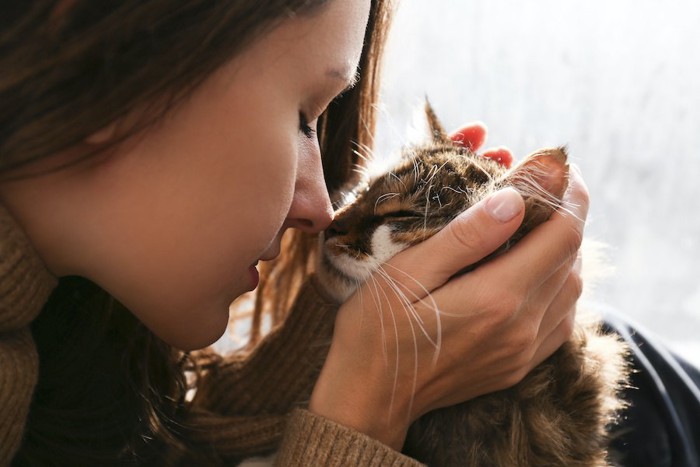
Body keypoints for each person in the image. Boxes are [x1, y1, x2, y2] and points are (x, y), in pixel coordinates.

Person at [2, 0, 680, 465]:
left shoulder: (57, 323)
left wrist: (351, 317)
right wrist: (366, 408)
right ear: (119, 63)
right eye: (304, 115)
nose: (321, 208)